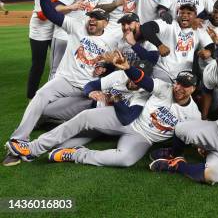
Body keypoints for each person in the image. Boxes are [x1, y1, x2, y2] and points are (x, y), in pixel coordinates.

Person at [3, 0, 121, 166]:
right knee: (40, 96)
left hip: (88, 90)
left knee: (75, 119)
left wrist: (107, 65)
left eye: (97, 19)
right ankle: (19, 140)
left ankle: (54, 143)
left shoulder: (113, 38)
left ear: (106, 22)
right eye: (91, 17)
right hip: (65, 80)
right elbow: (50, 13)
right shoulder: (76, 26)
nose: (92, 21)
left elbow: (119, 62)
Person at [41, 55, 200, 168]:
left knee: (125, 159)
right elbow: (143, 80)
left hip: (142, 137)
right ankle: (40, 143)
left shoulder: (194, 115)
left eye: (185, 85)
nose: (178, 88)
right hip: (125, 120)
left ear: (193, 89)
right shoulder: (163, 88)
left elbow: (191, 136)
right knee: (83, 117)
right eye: (177, 83)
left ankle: (76, 154)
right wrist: (129, 68)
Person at [27, 0, 71, 99]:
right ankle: (31, 96)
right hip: (39, 32)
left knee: (60, 65)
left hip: (55, 31)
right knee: (38, 65)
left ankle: (56, 94)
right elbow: (41, 15)